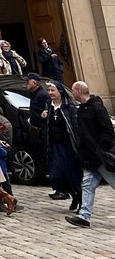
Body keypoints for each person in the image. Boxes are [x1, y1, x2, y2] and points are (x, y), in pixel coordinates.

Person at [67, 81, 115, 228]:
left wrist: (99, 150)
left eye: (74, 90)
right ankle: (84, 216)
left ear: (79, 91)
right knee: (87, 185)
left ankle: (84, 216)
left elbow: (107, 131)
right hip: (88, 157)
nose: (72, 93)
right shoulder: (81, 109)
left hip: (100, 157)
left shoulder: (97, 108)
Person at [45, 80, 82, 211]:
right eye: (49, 90)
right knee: (56, 175)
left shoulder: (68, 107)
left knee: (72, 174)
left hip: (68, 146)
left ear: (60, 92)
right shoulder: (48, 107)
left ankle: (80, 198)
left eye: (52, 90)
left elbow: (75, 127)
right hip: (55, 145)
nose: (50, 93)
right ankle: (74, 195)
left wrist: (78, 145)